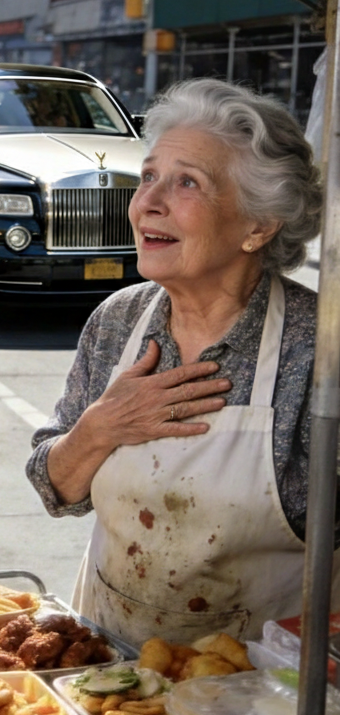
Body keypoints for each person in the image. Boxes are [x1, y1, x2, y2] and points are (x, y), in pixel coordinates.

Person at [26, 77, 340, 648]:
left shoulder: (319, 348)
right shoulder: (118, 321)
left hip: (258, 688)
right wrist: (100, 429)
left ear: (258, 225)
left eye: (186, 182)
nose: (148, 201)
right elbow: (56, 490)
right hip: (111, 664)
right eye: (148, 177)